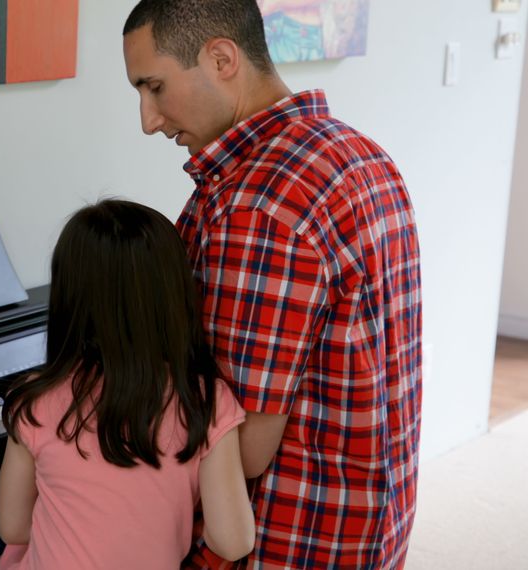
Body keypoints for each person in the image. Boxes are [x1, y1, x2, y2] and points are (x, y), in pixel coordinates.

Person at [121, 1, 422, 568]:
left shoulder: (260, 204)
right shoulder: (359, 153)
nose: (148, 119)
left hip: (287, 535)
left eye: (154, 87)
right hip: (371, 519)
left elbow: (244, 447)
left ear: (222, 58)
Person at [0, 199, 255, 569]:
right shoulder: (206, 400)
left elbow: (14, 528)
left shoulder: (35, 398)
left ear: (70, 296)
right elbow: (233, 542)